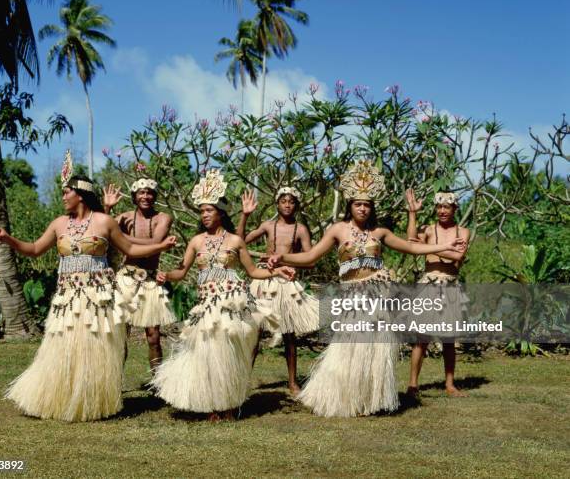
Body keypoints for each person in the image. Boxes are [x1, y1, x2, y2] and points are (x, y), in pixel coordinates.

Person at [268, 160, 466, 417]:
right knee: (348, 348)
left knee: (373, 349)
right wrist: (282, 258)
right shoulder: (338, 230)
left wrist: (443, 248)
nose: (362, 208)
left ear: (372, 208)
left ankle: (368, 401)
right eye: (357, 204)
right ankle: (342, 399)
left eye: (367, 205)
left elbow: (413, 247)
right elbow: (311, 256)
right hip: (351, 296)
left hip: (376, 296)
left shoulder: (380, 232)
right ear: (350, 206)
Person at [0, 152, 176, 422]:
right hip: (67, 298)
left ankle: (92, 401)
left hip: (97, 296)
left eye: (67, 192)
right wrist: (9, 239)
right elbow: (33, 250)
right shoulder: (59, 224)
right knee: (63, 347)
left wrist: (160, 246)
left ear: (80, 194)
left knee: (95, 346)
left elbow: (131, 247)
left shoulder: (104, 222)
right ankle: (61, 399)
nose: (63, 197)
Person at [150, 170, 294, 421]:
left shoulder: (236, 241)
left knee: (228, 353)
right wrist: (166, 275)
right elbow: (182, 271)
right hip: (207, 305)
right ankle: (211, 404)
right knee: (208, 353)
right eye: (202, 211)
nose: (204, 215)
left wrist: (276, 271)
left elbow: (252, 271)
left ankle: (228, 404)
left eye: (209, 210)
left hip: (231, 303)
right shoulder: (196, 241)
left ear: (221, 212)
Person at [237, 187, 318, 396]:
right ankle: (244, 377)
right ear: (277, 204)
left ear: (297, 205)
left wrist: (292, 263)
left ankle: (292, 382)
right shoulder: (267, 225)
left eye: (291, 201)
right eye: (283, 201)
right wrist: (245, 216)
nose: (287, 205)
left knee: (289, 333)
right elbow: (239, 241)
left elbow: (310, 260)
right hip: (264, 281)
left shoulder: (300, 230)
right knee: (256, 331)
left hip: (287, 284)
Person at [103, 179, 175, 370]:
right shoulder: (124, 217)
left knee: (153, 336)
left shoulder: (163, 218)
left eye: (149, 192)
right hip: (126, 278)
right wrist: (108, 208)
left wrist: (118, 235)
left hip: (150, 279)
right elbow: (102, 231)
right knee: (120, 335)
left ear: (155, 196)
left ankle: (157, 383)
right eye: (141, 193)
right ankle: (115, 381)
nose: (145, 196)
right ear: (134, 196)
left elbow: (155, 243)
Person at [405, 188, 471, 397]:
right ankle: (413, 384)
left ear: (454, 208)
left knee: (449, 339)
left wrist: (429, 247)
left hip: (450, 286)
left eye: (447, 207)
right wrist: (413, 213)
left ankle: (450, 384)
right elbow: (410, 242)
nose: (442, 210)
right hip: (429, 285)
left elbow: (457, 256)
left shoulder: (463, 232)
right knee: (421, 338)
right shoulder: (428, 229)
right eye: (439, 206)